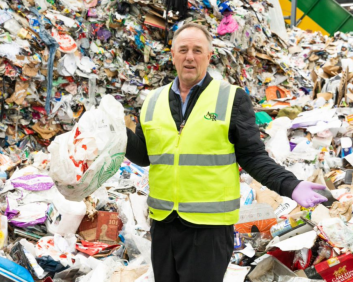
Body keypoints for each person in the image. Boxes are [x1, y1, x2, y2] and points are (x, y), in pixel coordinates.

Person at [125, 23, 327, 282]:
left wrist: (291, 185)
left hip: (208, 230)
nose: (190, 56)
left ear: (209, 56)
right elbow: (144, 155)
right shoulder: (153, 100)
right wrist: (117, 133)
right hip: (163, 224)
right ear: (172, 54)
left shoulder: (231, 98)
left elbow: (253, 156)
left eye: (198, 50)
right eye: (183, 49)